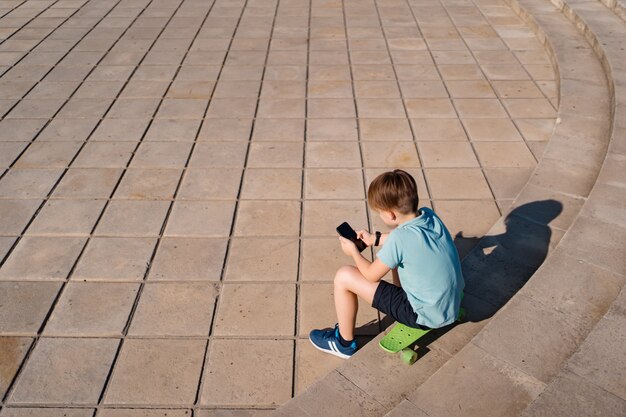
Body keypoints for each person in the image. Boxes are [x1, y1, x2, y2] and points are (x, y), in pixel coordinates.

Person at [309, 169, 465, 358]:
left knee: (343, 276)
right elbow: (406, 238)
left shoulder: (399, 239)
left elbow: (370, 275)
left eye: (380, 213)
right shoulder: (429, 216)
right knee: (395, 258)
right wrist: (374, 239)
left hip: (422, 315)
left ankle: (343, 343)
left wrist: (353, 252)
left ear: (391, 215)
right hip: (449, 304)